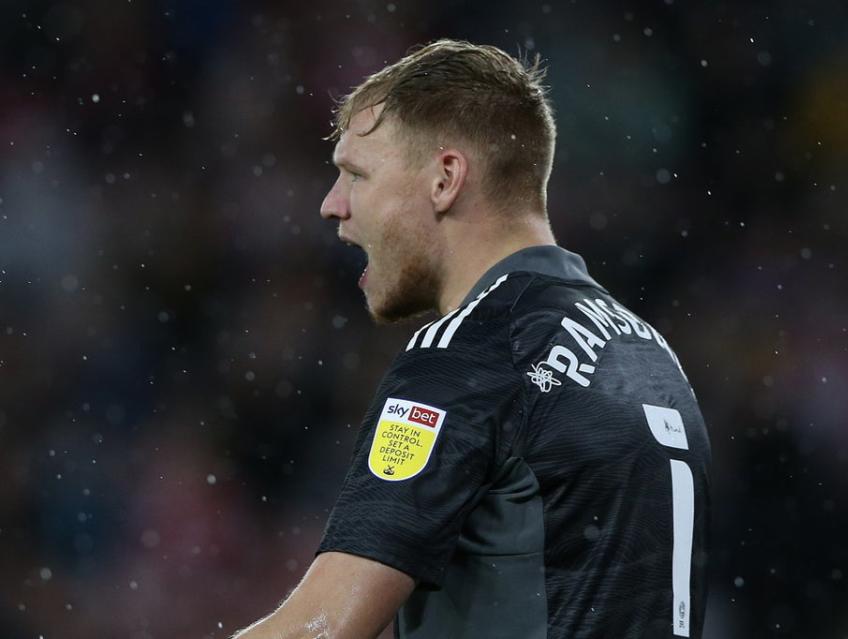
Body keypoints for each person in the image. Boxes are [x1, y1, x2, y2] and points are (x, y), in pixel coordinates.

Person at [233, 39, 711, 639]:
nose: (332, 205)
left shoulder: (473, 351)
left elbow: (319, 630)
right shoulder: (648, 353)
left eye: (357, 174)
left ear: (445, 179)